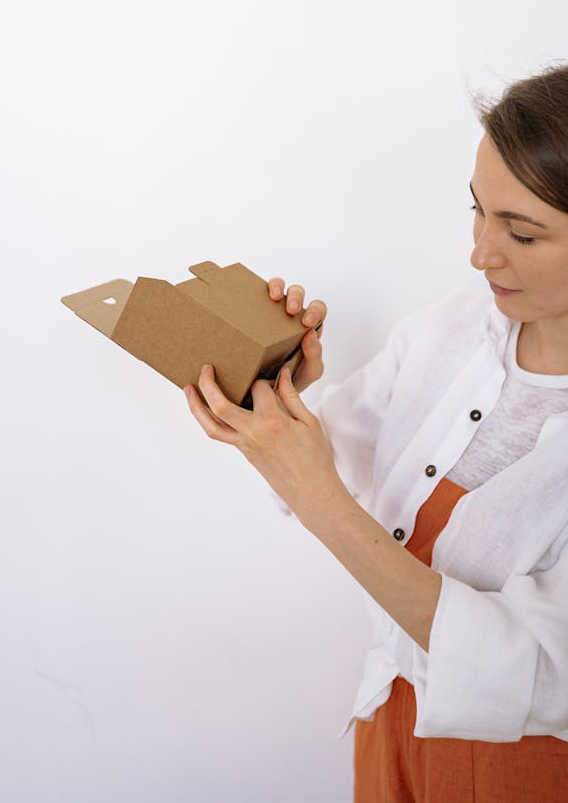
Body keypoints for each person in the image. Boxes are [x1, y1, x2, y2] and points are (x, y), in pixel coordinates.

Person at [184, 63, 568, 802]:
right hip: (392, 726)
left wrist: (316, 490)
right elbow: (335, 458)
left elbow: (543, 672)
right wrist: (272, 387)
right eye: (477, 211)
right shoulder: (448, 329)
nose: (481, 252)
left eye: (521, 232)